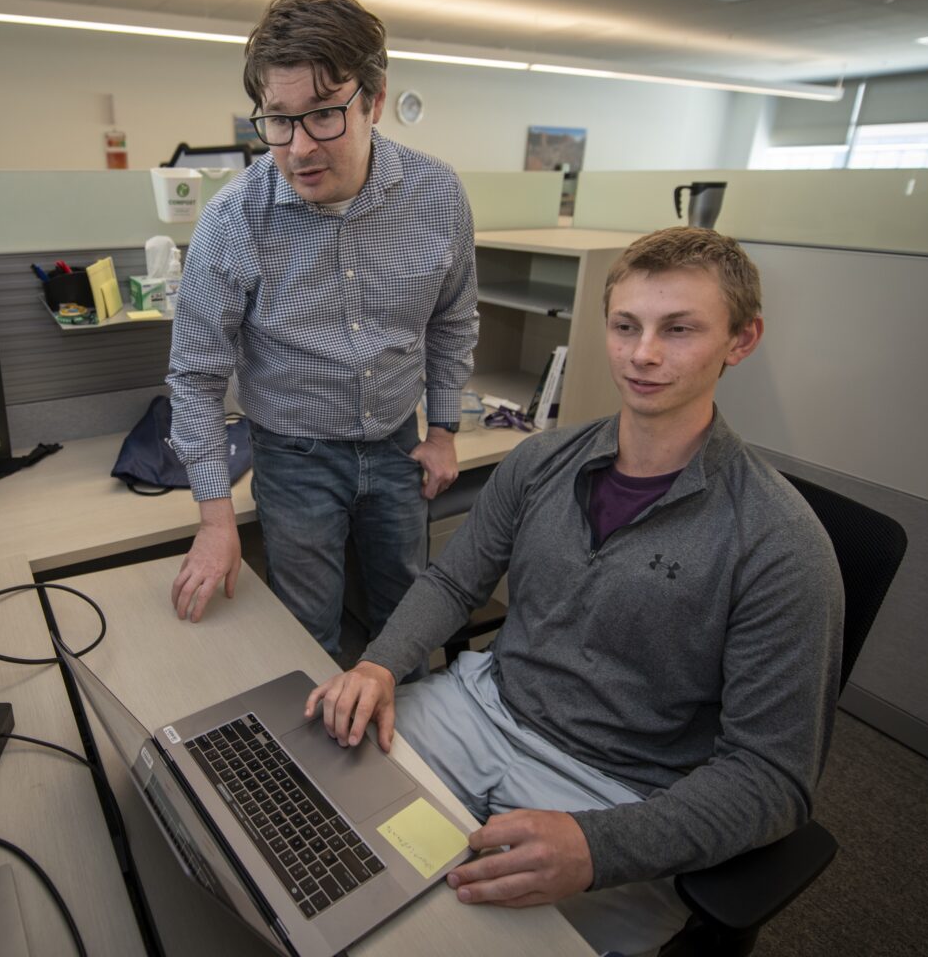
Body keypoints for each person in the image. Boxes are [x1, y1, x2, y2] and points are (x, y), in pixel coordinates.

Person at [304, 227, 844, 956]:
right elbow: (453, 580)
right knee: (315, 842)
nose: (642, 354)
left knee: (449, 940)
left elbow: (772, 778)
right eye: (626, 326)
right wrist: (378, 663)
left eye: (678, 330)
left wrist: (600, 848)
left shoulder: (779, 543)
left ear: (740, 341)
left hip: (618, 792)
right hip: (480, 709)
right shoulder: (540, 462)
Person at [166, 0, 479, 657]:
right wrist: (215, 519)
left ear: (373, 99)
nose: (300, 147)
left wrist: (446, 429)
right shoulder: (233, 221)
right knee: (306, 634)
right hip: (292, 454)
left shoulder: (438, 196)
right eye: (278, 119)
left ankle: (416, 757)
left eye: (322, 116)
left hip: (399, 444)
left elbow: (451, 319)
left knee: (410, 621)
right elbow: (194, 380)